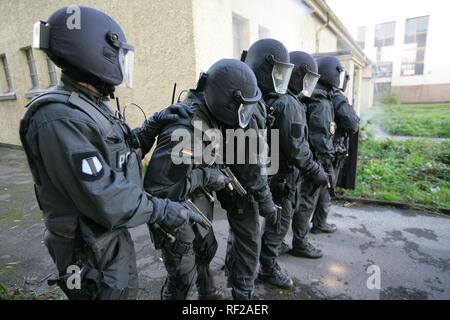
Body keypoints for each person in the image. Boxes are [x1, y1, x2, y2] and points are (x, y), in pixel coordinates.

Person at [19, 6, 205, 300]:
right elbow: (107, 197)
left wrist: (154, 124)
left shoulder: (87, 105)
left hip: (106, 239)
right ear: (93, 53)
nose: (120, 64)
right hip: (88, 250)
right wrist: (164, 210)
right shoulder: (58, 117)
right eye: (117, 55)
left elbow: (120, 159)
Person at [142, 59, 261, 300]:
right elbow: (160, 191)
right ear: (226, 103)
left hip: (198, 200)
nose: (243, 116)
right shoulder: (186, 130)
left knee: (206, 250)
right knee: (183, 276)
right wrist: (209, 175)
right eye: (241, 108)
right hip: (174, 211)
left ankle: (207, 292)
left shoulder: (212, 117)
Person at [243, 42, 329, 274]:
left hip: (266, 172)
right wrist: (316, 171)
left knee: (260, 224)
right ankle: (269, 267)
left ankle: (255, 258)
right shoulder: (287, 102)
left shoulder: (266, 97)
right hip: (281, 175)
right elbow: (297, 149)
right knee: (279, 222)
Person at [310, 71, 360, 234]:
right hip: (330, 150)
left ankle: (306, 228)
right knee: (325, 187)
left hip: (311, 150)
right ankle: (319, 223)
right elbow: (352, 124)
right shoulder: (334, 95)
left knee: (309, 191)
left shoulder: (311, 90)